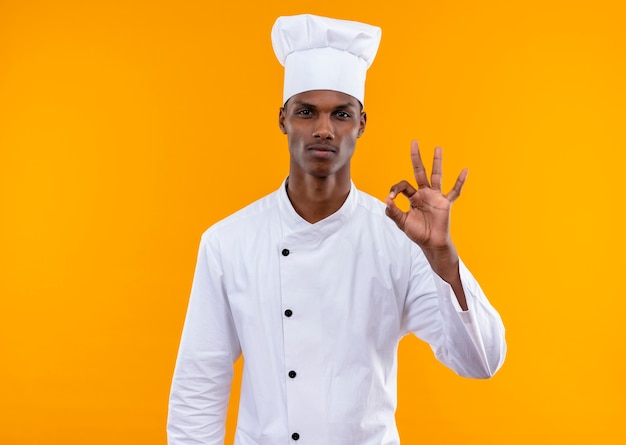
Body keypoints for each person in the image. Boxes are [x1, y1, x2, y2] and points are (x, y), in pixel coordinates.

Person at [167, 14, 506, 445]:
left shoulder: (399, 241)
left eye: (341, 114)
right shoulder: (228, 242)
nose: (323, 129)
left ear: (361, 124)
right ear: (283, 119)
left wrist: (443, 259)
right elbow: (200, 384)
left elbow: (482, 362)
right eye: (306, 112)